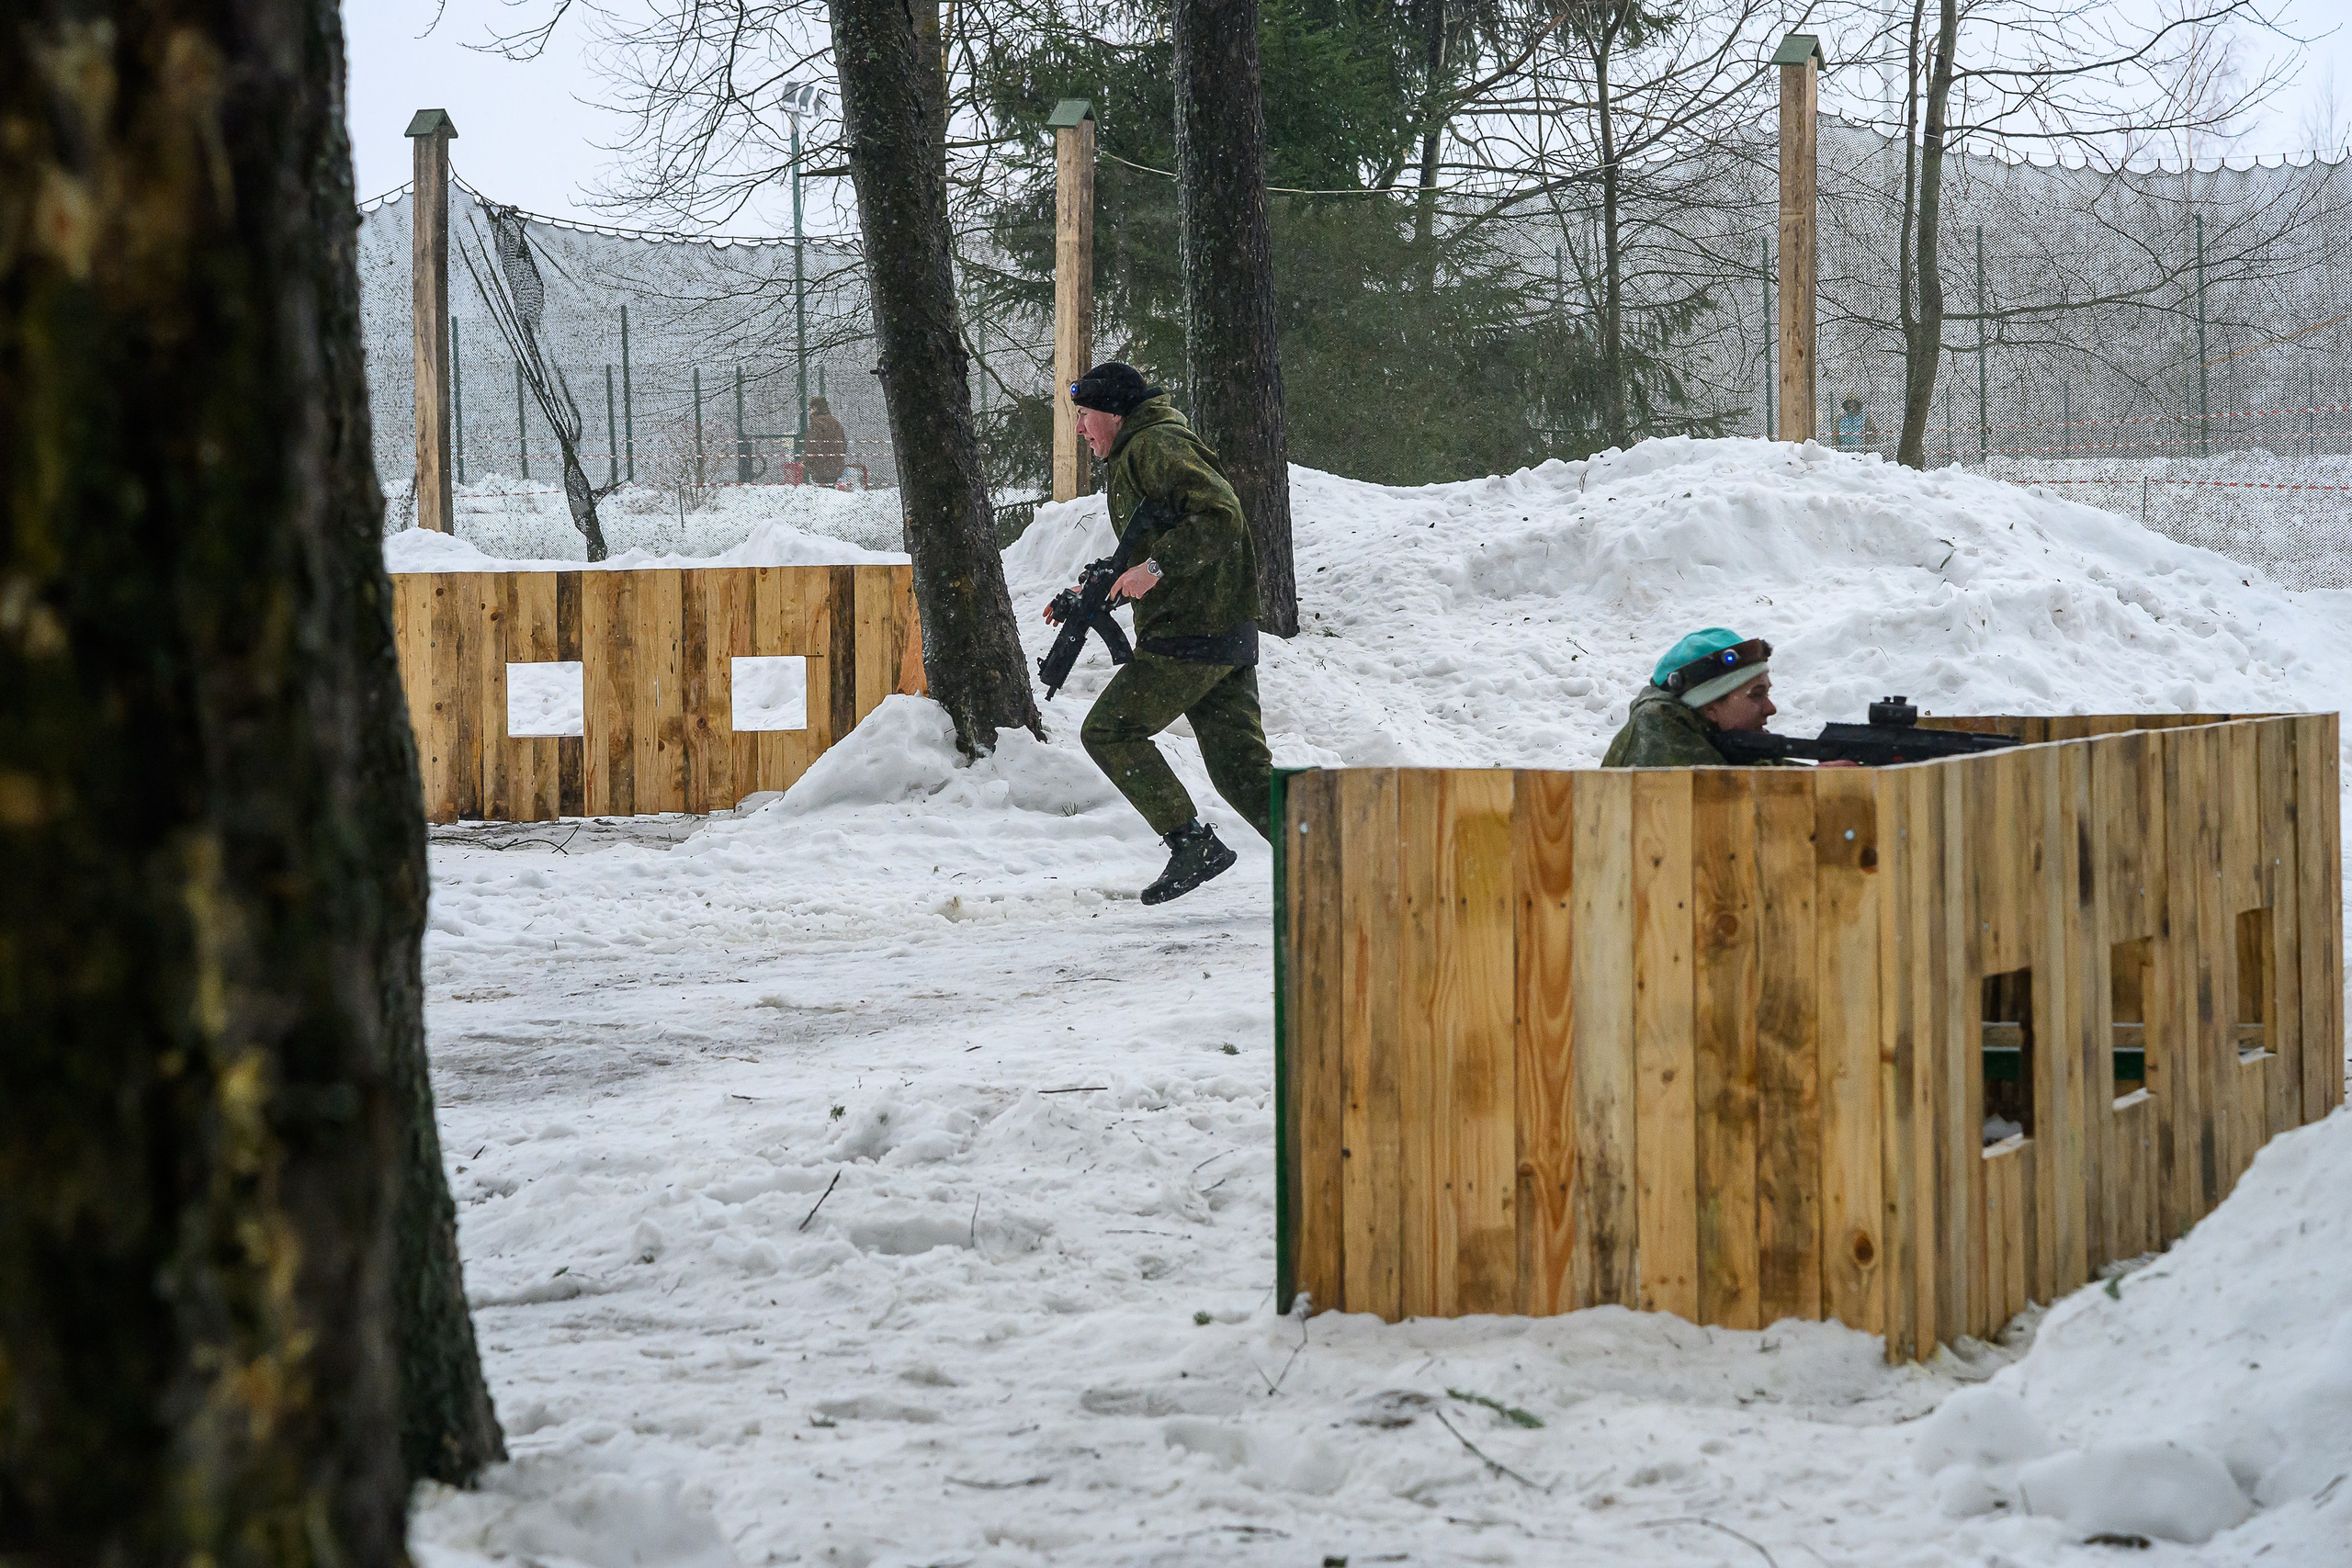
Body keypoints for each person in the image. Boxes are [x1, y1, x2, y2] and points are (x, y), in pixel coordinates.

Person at [1059, 361, 1271, 906]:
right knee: (1242, 773)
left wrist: (1153, 571)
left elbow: (1221, 516)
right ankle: (1336, 856)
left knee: (1109, 731)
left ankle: (1191, 842)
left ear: (1112, 413)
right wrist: (1107, 581)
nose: (1080, 430)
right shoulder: (1143, 448)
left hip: (1191, 633)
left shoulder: (1155, 446)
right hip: (1218, 629)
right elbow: (1165, 528)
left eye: (1084, 417)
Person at [1603, 627, 1843, 768]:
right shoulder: (1656, 733)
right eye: (1757, 695)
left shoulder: (1714, 742)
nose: (1771, 708)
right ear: (1710, 708)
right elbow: (1725, 798)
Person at [803, 396, 848, 486]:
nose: (810, 411)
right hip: (835, 464)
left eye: (810, 408)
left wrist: (807, 461)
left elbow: (813, 445)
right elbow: (843, 443)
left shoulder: (817, 423)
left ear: (815, 408)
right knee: (831, 491)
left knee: (821, 491)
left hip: (820, 464)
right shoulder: (835, 422)